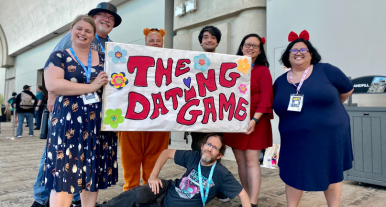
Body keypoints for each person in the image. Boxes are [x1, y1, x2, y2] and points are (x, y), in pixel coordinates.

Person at [31, 3, 122, 207]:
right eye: (101, 15)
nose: (83, 33)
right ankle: (40, 199)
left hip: (97, 123)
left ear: (113, 24)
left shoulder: (112, 50)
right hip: (69, 120)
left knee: (91, 172)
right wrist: (54, 95)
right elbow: (53, 80)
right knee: (62, 169)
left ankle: (79, 202)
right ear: (72, 30)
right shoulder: (64, 49)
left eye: (111, 17)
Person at [272, 30, 354, 207]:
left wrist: (328, 110)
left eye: (303, 50)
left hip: (328, 135)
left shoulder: (326, 70)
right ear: (288, 56)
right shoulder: (279, 81)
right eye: (294, 50)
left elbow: (347, 91)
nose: (298, 53)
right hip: (293, 138)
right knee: (293, 172)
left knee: (330, 172)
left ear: (311, 54)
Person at [98, 134, 251, 207]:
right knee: (138, 193)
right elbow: (166, 153)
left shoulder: (221, 173)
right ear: (202, 145)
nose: (209, 149)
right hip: (167, 190)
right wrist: (153, 176)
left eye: (214, 147)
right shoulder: (194, 156)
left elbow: (244, 196)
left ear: (220, 155)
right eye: (207, 144)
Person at [117, 28, 170, 192]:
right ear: (145, 43)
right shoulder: (129, 59)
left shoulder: (171, 62)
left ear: (163, 43)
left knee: (155, 153)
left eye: (158, 41)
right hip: (132, 115)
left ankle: (149, 188)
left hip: (159, 115)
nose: (155, 43)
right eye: (151, 40)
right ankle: (130, 189)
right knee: (130, 154)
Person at [223, 34, 273, 207]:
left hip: (255, 121)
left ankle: (253, 203)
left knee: (252, 161)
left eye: (255, 46)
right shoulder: (233, 67)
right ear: (242, 47)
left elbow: (267, 97)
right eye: (247, 44)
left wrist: (254, 120)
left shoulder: (262, 70)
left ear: (260, 51)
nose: (250, 48)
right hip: (236, 121)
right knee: (241, 162)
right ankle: (245, 199)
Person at [190, 25, 222, 151]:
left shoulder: (225, 62)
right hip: (198, 114)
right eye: (206, 37)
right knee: (197, 148)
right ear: (201, 42)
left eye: (213, 37)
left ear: (217, 42)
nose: (209, 40)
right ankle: (197, 171)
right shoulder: (192, 62)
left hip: (218, 115)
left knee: (215, 148)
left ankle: (212, 171)